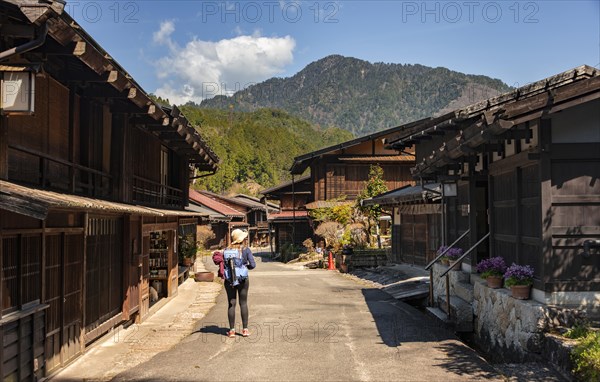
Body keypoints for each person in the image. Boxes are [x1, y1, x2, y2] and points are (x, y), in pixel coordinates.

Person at [213, 229, 256, 338]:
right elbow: (253, 265)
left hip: (229, 280)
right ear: (242, 239)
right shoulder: (246, 250)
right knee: (243, 303)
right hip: (243, 279)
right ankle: (245, 330)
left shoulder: (226, 250)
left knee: (231, 304)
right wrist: (245, 267)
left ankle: (231, 331)